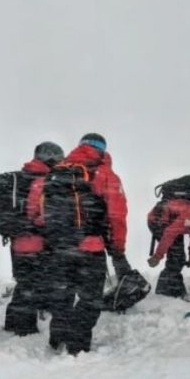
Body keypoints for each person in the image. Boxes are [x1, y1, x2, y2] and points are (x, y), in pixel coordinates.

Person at [35, 133, 129, 355]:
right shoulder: (104, 173)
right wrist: (117, 248)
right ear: (102, 149)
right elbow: (117, 215)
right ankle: (76, 346)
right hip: (90, 248)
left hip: (59, 247)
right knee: (90, 299)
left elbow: (39, 212)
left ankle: (57, 338)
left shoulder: (56, 173)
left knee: (63, 294)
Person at [3, 141, 64, 335]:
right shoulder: (42, 181)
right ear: (50, 158)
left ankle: (13, 324)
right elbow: (37, 214)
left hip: (19, 243)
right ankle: (24, 329)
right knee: (31, 286)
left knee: (25, 285)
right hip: (36, 244)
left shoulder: (26, 176)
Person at [147, 196, 190, 298]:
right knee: (176, 258)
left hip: (172, 223)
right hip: (158, 221)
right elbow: (170, 232)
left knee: (178, 258)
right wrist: (157, 256)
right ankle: (167, 292)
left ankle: (172, 290)